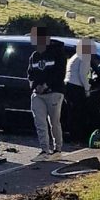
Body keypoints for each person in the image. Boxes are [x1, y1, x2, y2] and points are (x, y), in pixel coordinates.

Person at [28, 26, 67, 157]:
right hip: (37, 95)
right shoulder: (34, 56)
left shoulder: (57, 52)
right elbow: (30, 75)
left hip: (54, 93)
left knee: (54, 122)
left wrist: (46, 85)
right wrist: (35, 86)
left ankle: (58, 150)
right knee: (40, 122)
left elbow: (60, 73)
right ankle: (44, 150)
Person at [64, 37, 94, 141]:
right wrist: (87, 89)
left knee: (72, 113)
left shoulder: (75, 56)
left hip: (68, 85)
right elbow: (82, 74)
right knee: (78, 114)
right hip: (76, 87)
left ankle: (71, 135)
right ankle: (76, 137)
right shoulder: (85, 56)